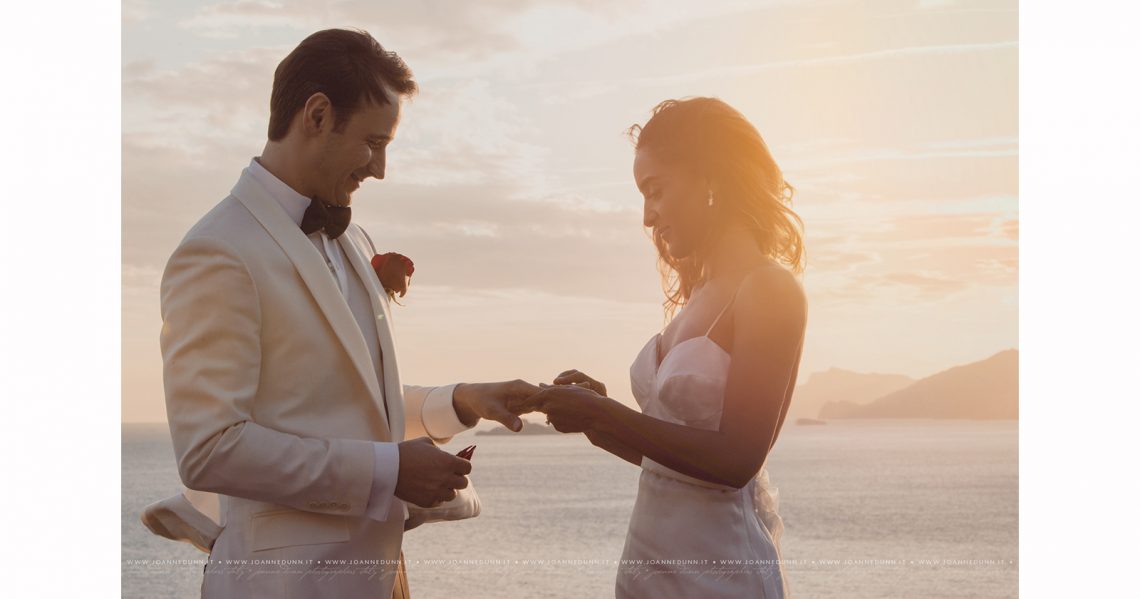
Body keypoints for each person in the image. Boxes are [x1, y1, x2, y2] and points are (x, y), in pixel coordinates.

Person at [153, 28, 538, 598]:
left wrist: (459, 401)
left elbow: (346, 404)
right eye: (373, 142)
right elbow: (211, 448)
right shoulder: (217, 250)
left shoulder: (353, 238)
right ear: (316, 114)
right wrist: (390, 471)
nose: (380, 168)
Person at [519, 97, 807, 598]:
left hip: (718, 576)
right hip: (650, 571)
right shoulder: (700, 294)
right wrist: (595, 419)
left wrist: (606, 413)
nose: (648, 218)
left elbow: (736, 461)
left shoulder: (768, 289)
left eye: (655, 191)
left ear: (710, 180)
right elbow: (672, 461)